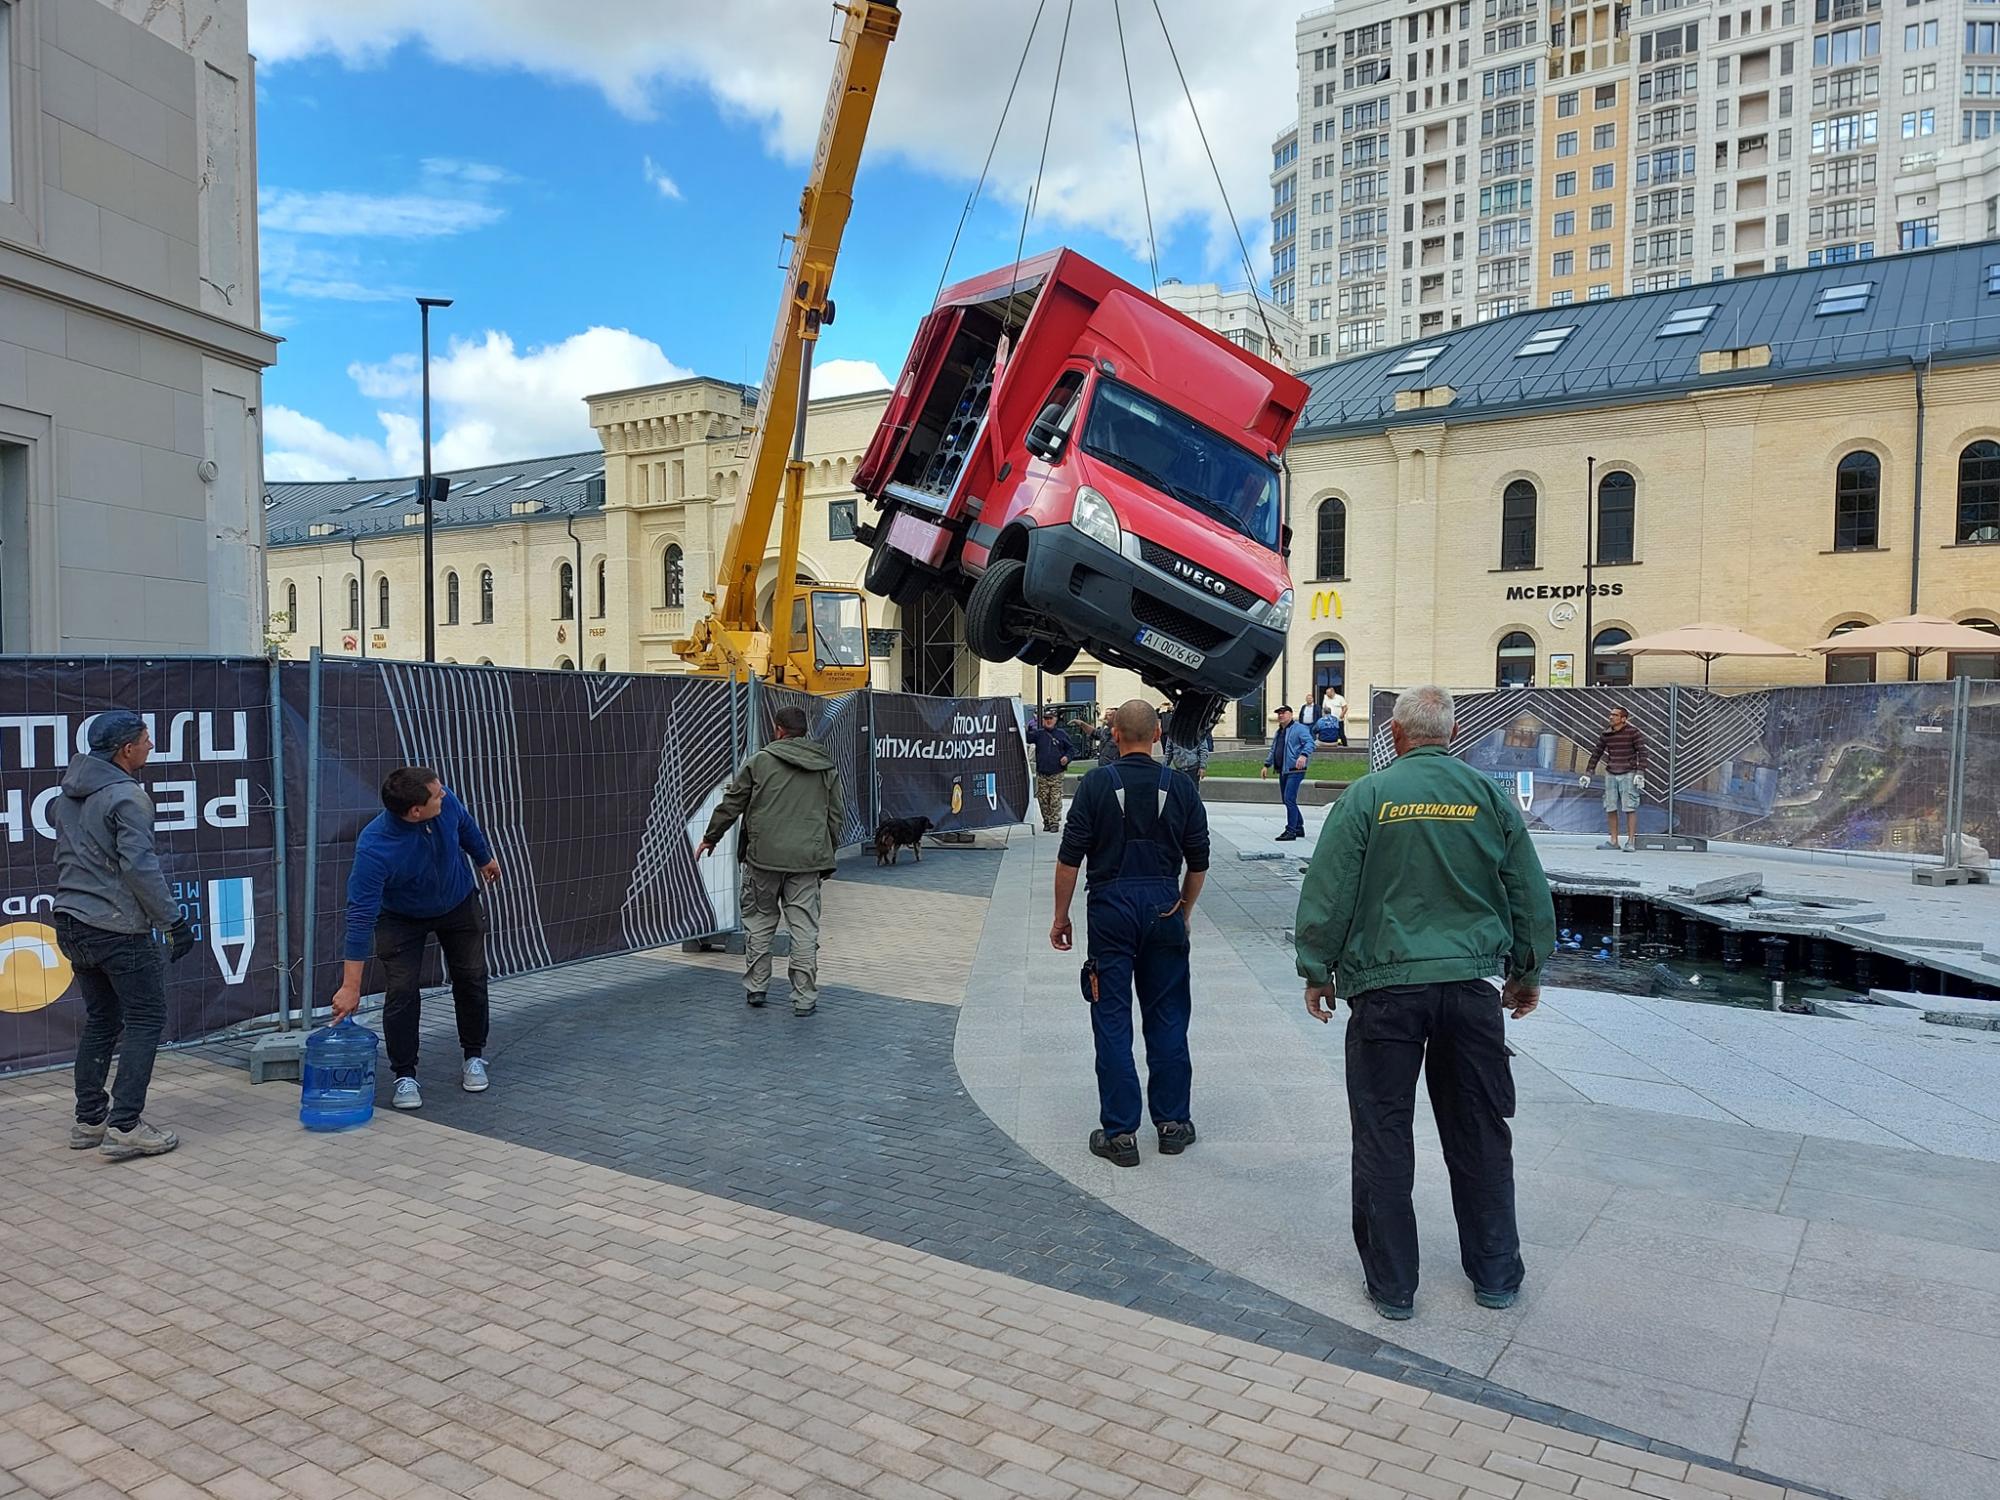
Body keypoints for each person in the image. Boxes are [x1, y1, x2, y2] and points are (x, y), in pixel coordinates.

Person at [1294, 685, 1555, 1322]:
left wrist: (1317, 969)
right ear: (1451, 735)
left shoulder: (1367, 797)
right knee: (1481, 1135)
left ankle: (1393, 1287)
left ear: (1397, 737)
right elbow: (1526, 888)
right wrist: (1526, 970)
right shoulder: (1487, 796)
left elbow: (1329, 890)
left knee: (1383, 1137)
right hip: (1470, 991)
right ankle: (1495, 1275)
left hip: (1384, 994)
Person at [1051, 700, 1209, 1168]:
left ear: (1114, 735)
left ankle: (1120, 1135)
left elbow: (1069, 859)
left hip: (1110, 911)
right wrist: (1182, 911)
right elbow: (1199, 862)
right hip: (1163, 905)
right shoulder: (1180, 787)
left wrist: (1061, 916)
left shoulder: (1096, 785)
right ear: (1158, 735)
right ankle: (1173, 1125)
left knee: (1112, 1020)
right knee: (1167, 1016)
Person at [54, 710, 194, 1161]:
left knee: (102, 1020)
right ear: (125, 749)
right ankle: (126, 1125)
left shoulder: (71, 791)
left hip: (72, 921)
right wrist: (172, 921)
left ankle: (89, 1120)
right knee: (145, 1020)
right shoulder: (127, 797)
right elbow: (139, 866)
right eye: (146, 740)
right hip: (116, 927)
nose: (151, 746)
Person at [330, 768, 501, 1110]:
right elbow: (360, 917)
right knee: (403, 992)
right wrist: (351, 986)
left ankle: (474, 1056)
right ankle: (404, 1075)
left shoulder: (444, 802)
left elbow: (464, 825)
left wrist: (484, 858)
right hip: (400, 918)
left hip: (457, 903)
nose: (445, 795)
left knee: (471, 978)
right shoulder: (375, 848)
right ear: (415, 812)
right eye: (437, 795)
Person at [697, 705, 844, 1017]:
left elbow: (733, 802)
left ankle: (756, 988)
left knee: (760, 922)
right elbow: (835, 816)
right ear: (804, 732)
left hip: (763, 858)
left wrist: (711, 837)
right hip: (807, 860)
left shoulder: (760, 762)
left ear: (778, 730)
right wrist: (826, 854)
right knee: (804, 928)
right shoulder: (825, 767)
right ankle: (804, 998)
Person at [1581, 705, 1648, 852]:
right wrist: (1588, 773)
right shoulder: (1606, 734)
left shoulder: (1633, 733)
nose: (1611, 717)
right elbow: (1596, 753)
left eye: (1615, 715)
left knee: (1629, 807)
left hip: (1628, 773)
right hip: (1611, 772)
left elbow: (1643, 752)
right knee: (1610, 806)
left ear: (1623, 719)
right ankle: (1614, 840)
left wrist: (1640, 773)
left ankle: (1631, 841)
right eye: (1610, 714)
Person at [1259, 705, 1314, 840]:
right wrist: (1267, 765)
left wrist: (1303, 755)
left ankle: (1291, 831)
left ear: (1291, 714)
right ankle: (1298, 827)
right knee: (1287, 799)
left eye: (1283, 713)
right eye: (1279, 713)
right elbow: (1274, 749)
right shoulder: (1279, 732)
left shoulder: (1299, 729)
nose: (1281, 715)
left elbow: (1310, 743)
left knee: (1289, 798)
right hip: (1283, 770)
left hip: (1295, 770)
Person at [1026, 708, 1075, 834]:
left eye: (1050, 719)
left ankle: (1054, 822)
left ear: (1055, 720)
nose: (1048, 721)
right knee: (1043, 798)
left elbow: (1071, 750)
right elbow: (1025, 737)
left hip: (1057, 772)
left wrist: (1067, 758)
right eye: (1046, 719)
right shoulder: (1038, 734)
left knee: (1055, 799)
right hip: (1042, 773)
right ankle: (1046, 821)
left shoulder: (1062, 734)